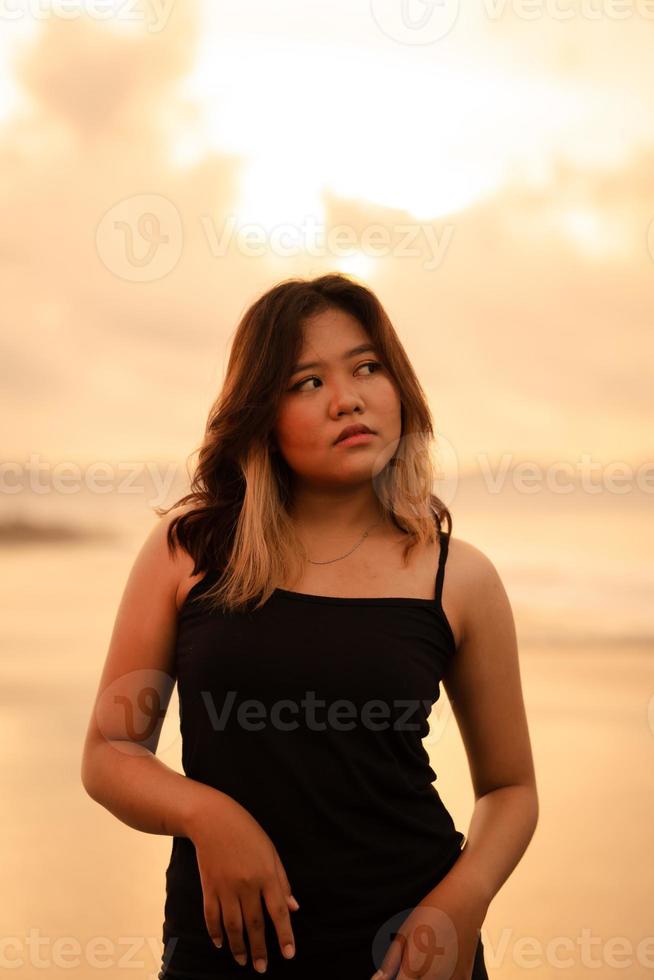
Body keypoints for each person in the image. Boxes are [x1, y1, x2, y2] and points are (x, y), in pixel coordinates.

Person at [81, 272, 539, 980]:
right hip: (228, 951)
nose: (347, 398)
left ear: (398, 387)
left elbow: (510, 789)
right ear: (261, 411)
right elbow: (110, 751)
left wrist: (465, 898)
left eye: (365, 368)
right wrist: (208, 816)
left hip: (409, 951)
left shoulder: (459, 577)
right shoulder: (192, 549)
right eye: (306, 382)